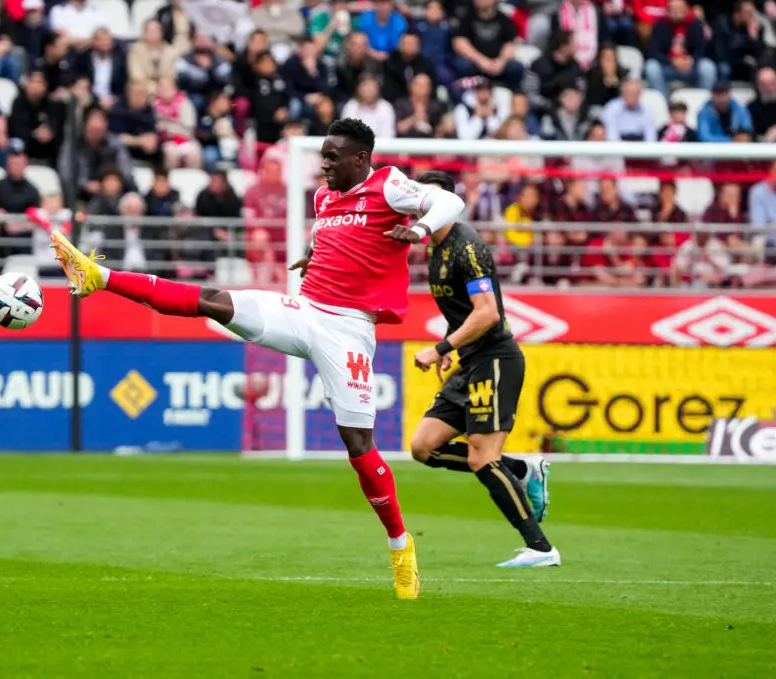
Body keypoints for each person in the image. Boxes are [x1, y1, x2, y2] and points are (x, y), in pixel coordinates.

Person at [50, 118, 474, 600]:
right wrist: (313, 254)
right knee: (212, 300)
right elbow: (339, 236)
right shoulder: (324, 198)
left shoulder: (388, 185)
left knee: (358, 444)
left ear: (360, 158)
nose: (323, 164)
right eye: (322, 155)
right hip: (304, 310)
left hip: (349, 331)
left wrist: (419, 228)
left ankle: (400, 547)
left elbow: (450, 203)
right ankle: (98, 276)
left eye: (333, 157)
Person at [406, 170, 556, 567]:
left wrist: (441, 347)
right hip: (470, 361)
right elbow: (463, 312)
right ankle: (521, 468)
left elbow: (487, 313)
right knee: (423, 447)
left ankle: (541, 549)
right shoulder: (435, 248)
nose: (423, 206)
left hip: (496, 359)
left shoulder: (467, 247)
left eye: (432, 198)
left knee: (481, 458)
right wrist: (452, 347)